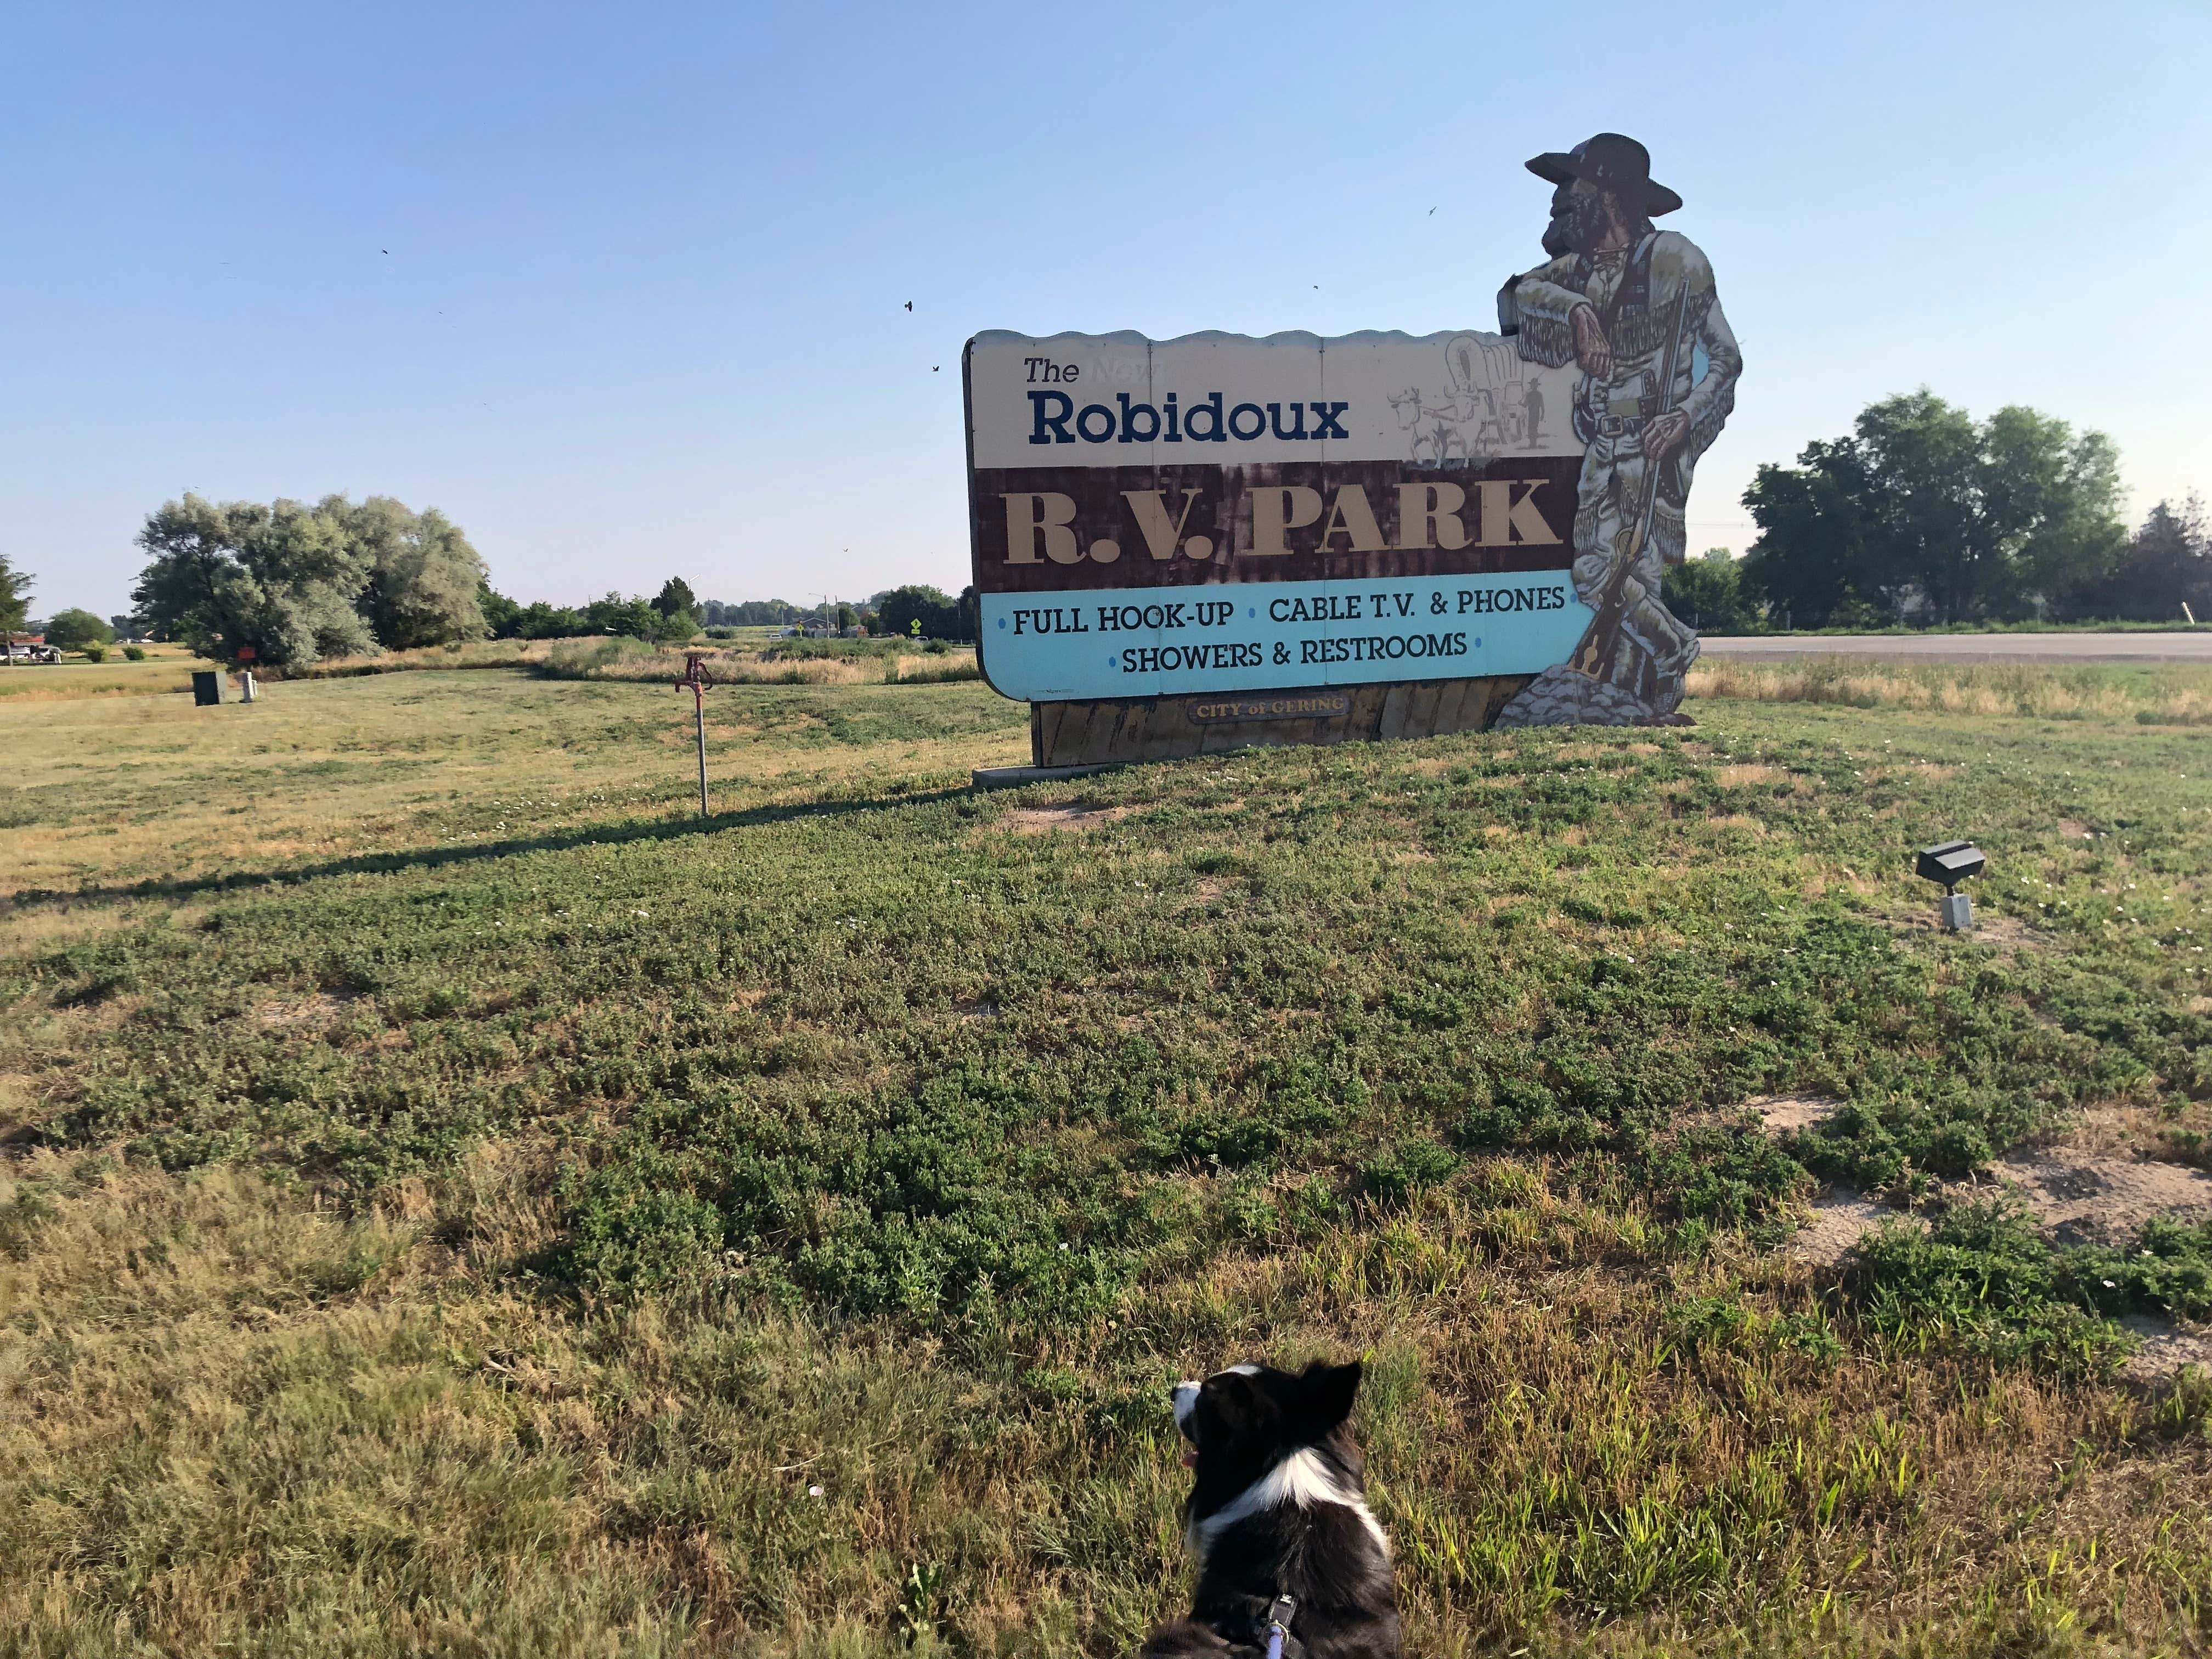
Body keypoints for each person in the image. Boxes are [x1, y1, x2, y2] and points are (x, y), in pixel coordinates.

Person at [1504, 133, 1741, 715]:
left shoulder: (1674, 260)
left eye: (1574, 186)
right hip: (1603, 441)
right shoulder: (1578, 271)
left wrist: (1684, 418)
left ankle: (1643, 687)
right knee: (1592, 571)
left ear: (1606, 194)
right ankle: (1674, 646)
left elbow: (1727, 357)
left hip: (1654, 443)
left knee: (1635, 570)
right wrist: (1577, 311)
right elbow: (1517, 295)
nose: (1562, 200)